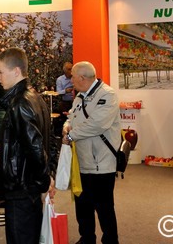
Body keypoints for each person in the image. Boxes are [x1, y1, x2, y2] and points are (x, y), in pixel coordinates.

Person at [0, 47, 55, 244]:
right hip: (29, 187)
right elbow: (48, 142)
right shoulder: (35, 97)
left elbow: (36, 148)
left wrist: (45, 180)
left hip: (21, 189)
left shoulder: (20, 103)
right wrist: (48, 177)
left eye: (0, 72)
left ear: (16, 71)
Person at [62, 61, 122, 244]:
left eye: (73, 77)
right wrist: (66, 126)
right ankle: (87, 238)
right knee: (83, 205)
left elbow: (97, 124)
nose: (71, 80)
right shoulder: (80, 96)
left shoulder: (107, 95)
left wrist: (71, 136)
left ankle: (110, 240)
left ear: (82, 78)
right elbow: (72, 115)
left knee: (104, 207)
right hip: (82, 161)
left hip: (101, 163)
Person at [54, 61, 74, 134]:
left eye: (72, 69)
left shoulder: (75, 77)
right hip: (66, 102)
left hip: (76, 101)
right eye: (69, 69)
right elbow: (58, 92)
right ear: (65, 71)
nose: (71, 71)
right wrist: (65, 91)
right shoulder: (60, 79)